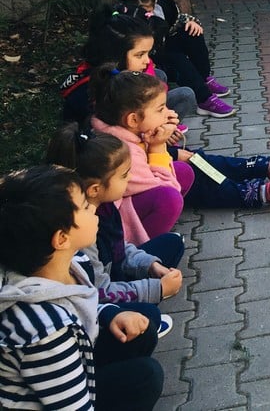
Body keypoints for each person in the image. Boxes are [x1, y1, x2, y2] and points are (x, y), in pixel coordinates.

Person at [0, 165, 163, 410]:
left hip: (71, 360)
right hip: (56, 393)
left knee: (141, 328)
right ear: (61, 238)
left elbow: (75, 300)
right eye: (86, 207)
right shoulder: (46, 334)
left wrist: (109, 312)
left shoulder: (62, 264)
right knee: (145, 376)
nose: (94, 210)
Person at [88, 65, 270, 244]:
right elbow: (165, 188)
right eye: (160, 109)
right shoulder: (120, 151)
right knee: (176, 187)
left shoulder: (128, 131)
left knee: (191, 160)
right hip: (125, 228)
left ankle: (256, 168)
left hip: (145, 183)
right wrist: (158, 148)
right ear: (133, 120)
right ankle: (249, 192)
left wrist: (160, 143)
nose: (169, 113)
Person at [46, 124, 185, 315]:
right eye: (124, 175)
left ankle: (142, 298)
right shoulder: (81, 231)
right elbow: (99, 291)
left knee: (172, 243)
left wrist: (150, 264)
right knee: (149, 315)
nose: (129, 180)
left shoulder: (105, 205)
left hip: (113, 272)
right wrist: (155, 289)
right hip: (98, 298)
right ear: (95, 188)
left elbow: (120, 245)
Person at [61, 6, 195, 141]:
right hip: (114, 152)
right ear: (116, 55)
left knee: (163, 79)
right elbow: (111, 144)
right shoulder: (96, 91)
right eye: (140, 55)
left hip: (135, 135)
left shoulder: (112, 75)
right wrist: (156, 140)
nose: (147, 61)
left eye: (148, 53)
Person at [116, 0, 236, 118]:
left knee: (191, 33)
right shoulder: (122, 22)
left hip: (161, 47)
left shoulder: (164, 7)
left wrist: (191, 23)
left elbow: (179, 20)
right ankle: (204, 99)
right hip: (149, 59)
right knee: (175, 56)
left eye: (149, 10)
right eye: (141, 11)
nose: (146, 14)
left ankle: (203, 78)